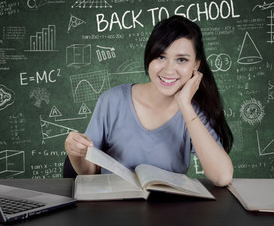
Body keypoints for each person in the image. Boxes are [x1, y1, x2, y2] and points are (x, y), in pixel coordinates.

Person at [65, 15, 234, 187]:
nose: (169, 70)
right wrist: (75, 153)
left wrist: (184, 105)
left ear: (196, 66)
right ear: (149, 57)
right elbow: (89, 172)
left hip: (167, 210)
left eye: (181, 60)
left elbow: (222, 177)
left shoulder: (195, 113)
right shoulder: (112, 101)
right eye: (161, 56)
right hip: (113, 207)